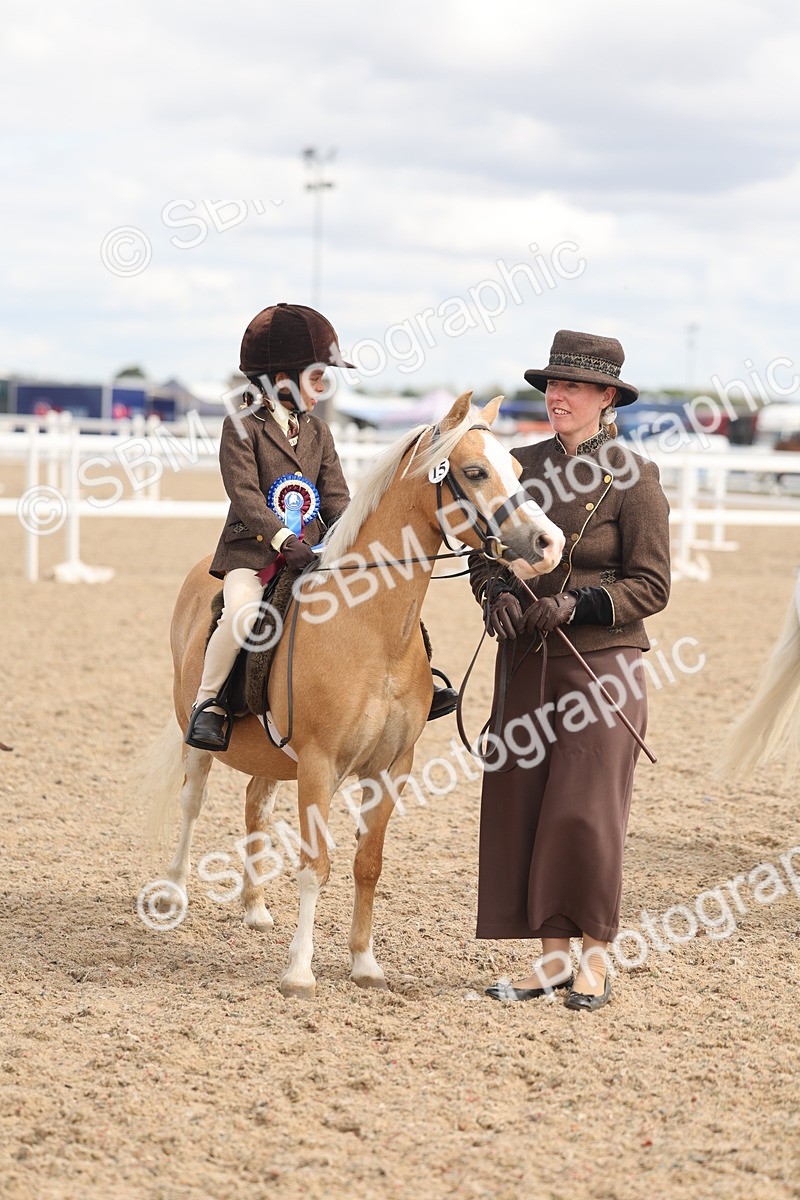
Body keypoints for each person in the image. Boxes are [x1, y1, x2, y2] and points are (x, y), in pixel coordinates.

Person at [469, 329, 671, 1012]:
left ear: (606, 397)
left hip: (603, 668)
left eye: (573, 387)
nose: (558, 395)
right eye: (553, 384)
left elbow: (652, 584)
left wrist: (580, 602)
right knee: (523, 806)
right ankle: (552, 962)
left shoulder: (634, 477)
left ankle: (595, 961)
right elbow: (484, 549)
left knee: (584, 814)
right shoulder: (517, 464)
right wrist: (495, 593)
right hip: (526, 659)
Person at [187, 302, 458, 751]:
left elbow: (335, 497)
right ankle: (209, 702)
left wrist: (352, 539)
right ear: (281, 380)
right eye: (316, 378)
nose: (322, 388)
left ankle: (417, 680)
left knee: (382, 595)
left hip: (314, 554)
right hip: (254, 555)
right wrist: (283, 539)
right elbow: (245, 495)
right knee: (240, 615)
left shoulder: (318, 432)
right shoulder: (241, 427)